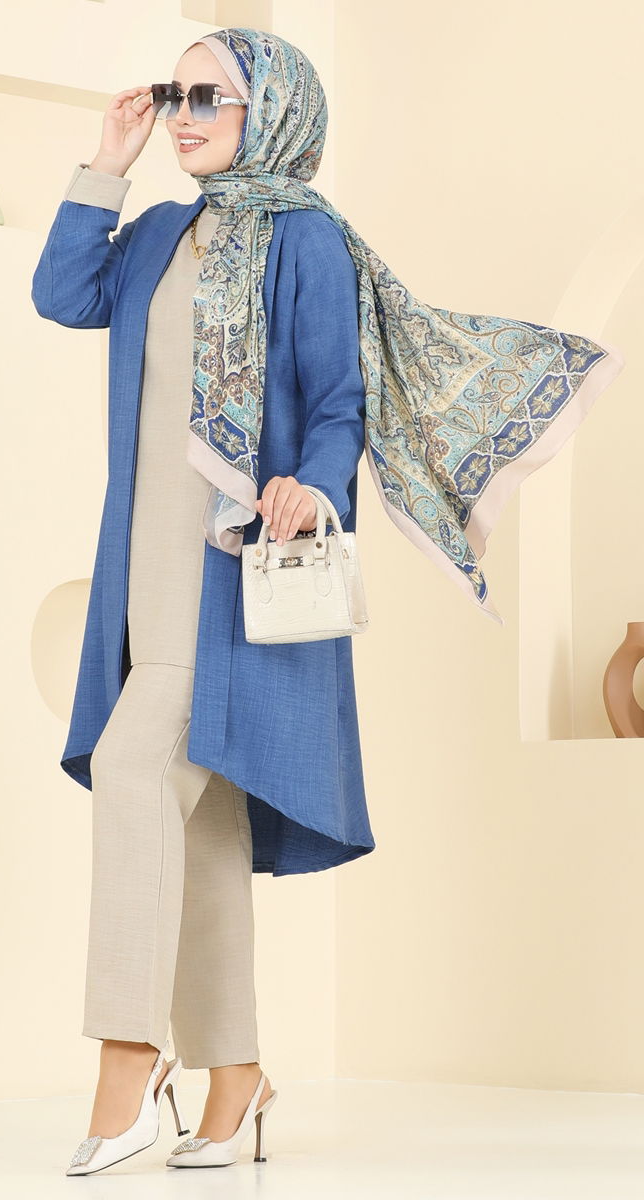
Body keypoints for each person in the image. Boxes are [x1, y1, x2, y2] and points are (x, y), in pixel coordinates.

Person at [31, 24, 623, 1177]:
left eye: (208, 96)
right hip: (140, 572)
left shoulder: (304, 238)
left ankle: (127, 1057)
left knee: (135, 768)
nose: (184, 114)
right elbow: (61, 293)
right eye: (173, 93)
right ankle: (236, 1077)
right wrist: (106, 161)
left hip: (227, 567)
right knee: (197, 823)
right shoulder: (154, 235)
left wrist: (310, 478)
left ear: (273, 111)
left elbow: (337, 394)